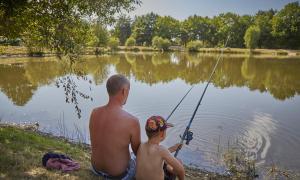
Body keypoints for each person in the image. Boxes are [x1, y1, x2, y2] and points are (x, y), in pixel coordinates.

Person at [89, 74, 141, 179]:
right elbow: (138, 152)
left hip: (96, 169)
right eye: (128, 90)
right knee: (139, 157)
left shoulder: (94, 112)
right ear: (124, 91)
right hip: (120, 176)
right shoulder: (132, 121)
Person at [136, 116, 185, 180]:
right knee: (179, 162)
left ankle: (168, 168)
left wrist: (174, 148)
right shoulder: (161, 150)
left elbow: (155, 155)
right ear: (162, 134)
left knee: (165, 164)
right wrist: (173, 172)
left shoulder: (141, 145)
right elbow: (180, 170)